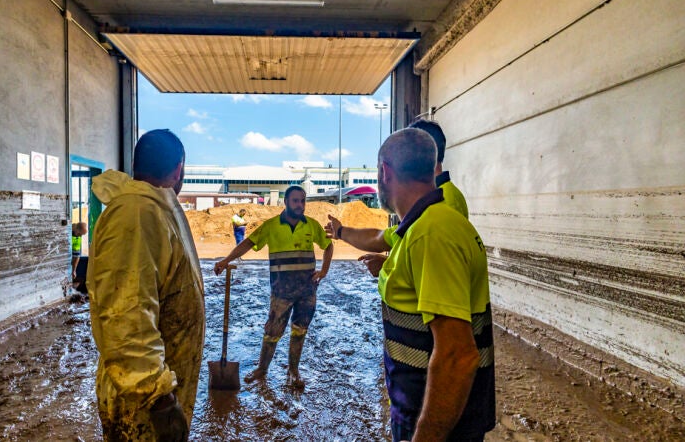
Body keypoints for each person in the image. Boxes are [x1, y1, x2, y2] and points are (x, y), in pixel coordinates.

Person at [325, 128, 495, 441]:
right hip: (428, 410)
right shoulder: (422, 224)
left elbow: (457, 355)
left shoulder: (431, 234)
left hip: (436, 422)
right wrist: (341, 232)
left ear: (384, 172)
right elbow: (379, 238)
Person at [86, 129, 204, 441]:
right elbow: (127, 317)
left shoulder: (153, 209)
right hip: (144, 402)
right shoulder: (137, 214)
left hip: (153, 393)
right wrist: (159, 399)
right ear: (179, 170)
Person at [213, 186, 334, 389]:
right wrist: (226, 260)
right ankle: (262, 369)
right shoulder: (271, 226)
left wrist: (324, 271)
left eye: (303, 201)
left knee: (300, 331)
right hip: (281, 292)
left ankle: (293, 371)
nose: (300, 205)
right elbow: (248, 243)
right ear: (286, 202)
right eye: (295, 201)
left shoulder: (311, 225)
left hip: (307, 291)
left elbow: (328, 246)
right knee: (272, 332)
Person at [336, 118, 469, 278]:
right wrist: (340, 231)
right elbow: (381, 238)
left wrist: (390, 267)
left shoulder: (444, 203)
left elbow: (439, 272)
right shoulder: (430, 201)